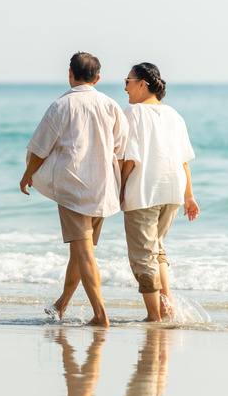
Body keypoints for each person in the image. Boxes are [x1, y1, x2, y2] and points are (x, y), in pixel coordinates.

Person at [20, 52, 128, 327]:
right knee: (81, 251)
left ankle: (100, 315)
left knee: (84, 253)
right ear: (98, 78)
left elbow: (40, 148)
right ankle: (61, 305)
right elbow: (121, 147)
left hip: (74, 188)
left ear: (70, 73)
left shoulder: (61, 105)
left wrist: (27, 175)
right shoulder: (111, 105)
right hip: (103, 187)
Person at [120, 62, 199, 322]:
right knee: (157, 250)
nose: (125, 86)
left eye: (129, 80)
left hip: (144, 191)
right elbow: (183, 160)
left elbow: (128, 159)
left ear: (142, 83)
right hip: (173, 191)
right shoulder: (174, 115)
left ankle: (153, 316)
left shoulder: (132, 113)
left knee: (143, 257)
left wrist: (119, 190)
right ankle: (168, 308)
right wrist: (189, 196)